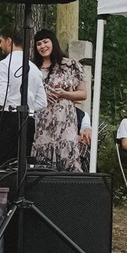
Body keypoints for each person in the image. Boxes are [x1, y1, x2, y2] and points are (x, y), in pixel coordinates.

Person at [0, 25, 40, 176]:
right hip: (29, 120)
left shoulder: (4, 65)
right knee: (19, 167)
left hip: (9, 119)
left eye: (1, 41)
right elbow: (41, 102)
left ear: (9, 41)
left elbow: (0, 99)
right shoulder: (34, 68)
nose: (0, 45)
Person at [30, 31, 88, 171]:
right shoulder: (33, 68)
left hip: (65, 122)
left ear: (53, 42)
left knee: (67, 158)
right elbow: (26, 94)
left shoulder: (69, 65)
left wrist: (65, 94)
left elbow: (83, 94)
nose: (42, 46)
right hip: (42, 122)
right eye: (39, 44)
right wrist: (42, 95)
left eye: (45, 42)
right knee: (43, 162)